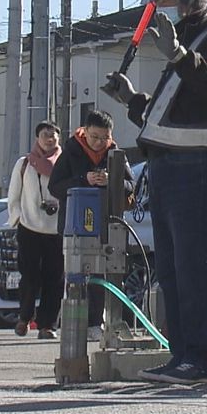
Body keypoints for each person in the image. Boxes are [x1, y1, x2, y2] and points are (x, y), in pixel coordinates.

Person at [103, 0, 207, 385]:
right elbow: (170, 116)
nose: (158, 14)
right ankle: (182, 355)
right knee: (171, 271)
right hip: (170, 171)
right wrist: (132, 100)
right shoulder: (184, 45)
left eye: (162, 2)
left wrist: (180, 55)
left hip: (199, 170)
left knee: (194, 267)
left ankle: (201, 360)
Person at [48, 110, 131, 343]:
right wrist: (84, 179)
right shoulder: (71, 151)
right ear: (84, 132)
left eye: (104, 138)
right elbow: (55, 187)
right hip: (75, 223)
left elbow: (130, 187)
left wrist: (112, 181)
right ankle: (71, 322)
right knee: (75, 273)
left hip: (106, 222)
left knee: (100, 272)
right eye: (94, 137)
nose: (98, 143)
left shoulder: (116, 154)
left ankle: (96, 322)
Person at [7, 120, 63, 340]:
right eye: (44, 135)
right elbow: (14, 196)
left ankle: (47, 324)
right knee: (29, 277)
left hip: (56, 229)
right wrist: (18, 219)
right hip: (29, 227)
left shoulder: (64, 163)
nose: (49, 139)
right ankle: (24, 317)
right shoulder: (24, 163)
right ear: (37, 138)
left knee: (55, 279)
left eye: (53, 135)